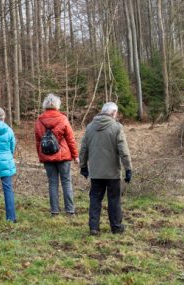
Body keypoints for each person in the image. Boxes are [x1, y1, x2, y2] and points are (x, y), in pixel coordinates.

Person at [79, 102, 132, 235]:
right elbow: (123, 151)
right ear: (113, 113)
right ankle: (116, 227)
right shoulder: (117, 127)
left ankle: (94, 227)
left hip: (96, 172)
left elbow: (84, 148)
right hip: (112, 172)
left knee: (95, 199)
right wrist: (128, 168)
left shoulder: (90, 127)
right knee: (114, 199)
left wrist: (83, 166)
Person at [34, 93, 79, 216]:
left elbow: (38, 140)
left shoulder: (39, 120)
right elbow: (70, 139)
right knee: (66, 182)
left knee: (52, 183)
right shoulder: (62, 119)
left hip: (47, 156)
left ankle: (54, 211)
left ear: (45, 105)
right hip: (63, 156)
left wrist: (40, 156)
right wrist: (75, 156)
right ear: (57, 105)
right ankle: (70, 211)